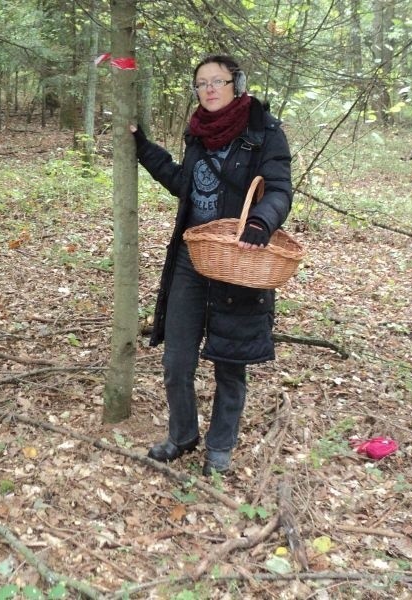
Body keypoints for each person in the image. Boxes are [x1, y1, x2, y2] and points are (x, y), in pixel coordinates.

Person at [131, 55, 293, 476]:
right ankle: (183, 435)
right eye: (201, 83)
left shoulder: (264, 132)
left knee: (230, 361)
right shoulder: (197, 133)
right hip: (193, 256)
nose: (209, 89)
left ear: (237, 84)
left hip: (241, 260)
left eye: (217, 81)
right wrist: (146, 151)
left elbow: (278, 188)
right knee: (176, 361)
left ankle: (220, 448)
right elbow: (188, 186)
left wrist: (262, 220)